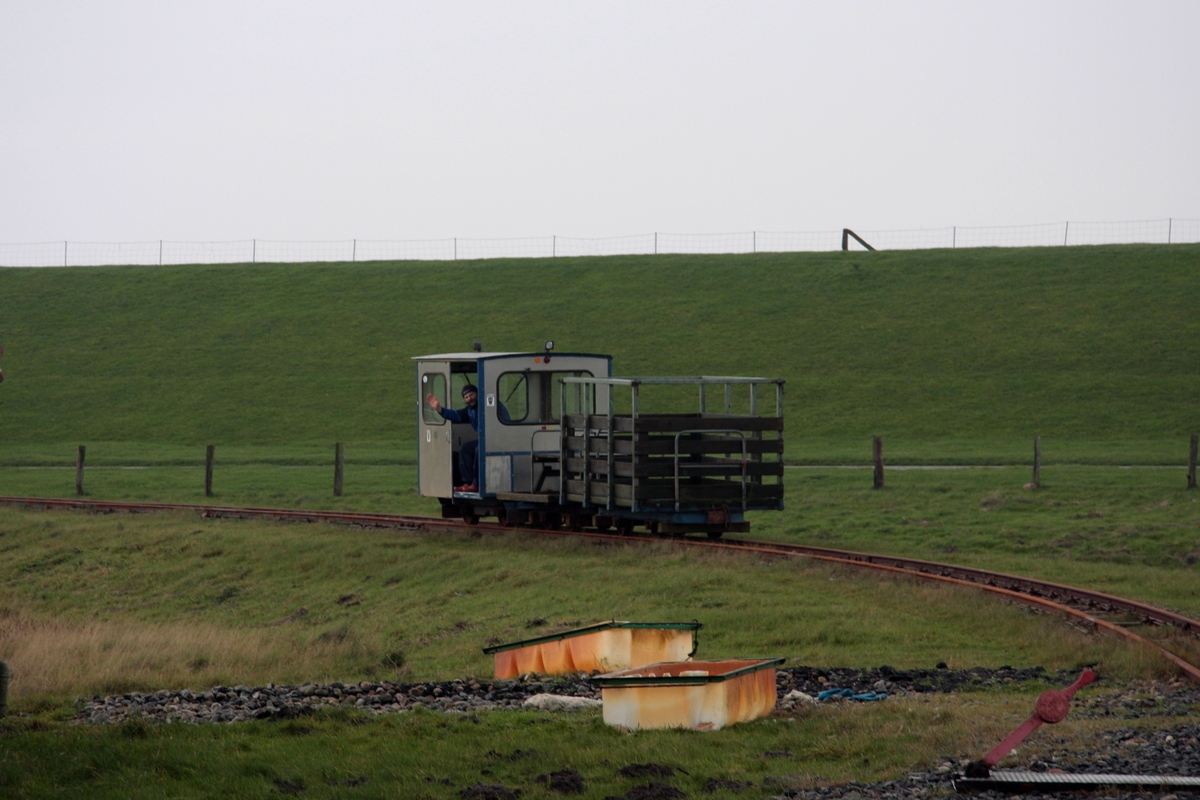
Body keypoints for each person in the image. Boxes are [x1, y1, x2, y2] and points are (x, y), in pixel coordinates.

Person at [426, 384, 509, 493]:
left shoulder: (490, 404)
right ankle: (468, 483)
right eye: (466, 397)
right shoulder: (470, 410)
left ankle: (476, 484)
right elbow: (456, 415)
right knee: (464, 449)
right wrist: (440, 409)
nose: (470, 399)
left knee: (479, 449)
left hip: (499, 439)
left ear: (477, 394)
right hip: (484, 440)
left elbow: (505, 422)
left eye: (471, 395)